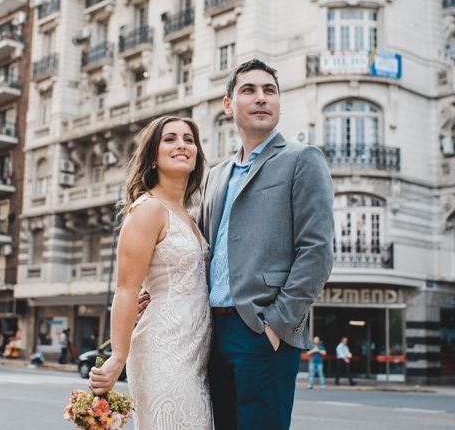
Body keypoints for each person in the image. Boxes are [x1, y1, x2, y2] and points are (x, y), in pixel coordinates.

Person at [200, 60, 335, 430]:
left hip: (262, 330)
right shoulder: (215, 176)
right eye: (249, 90)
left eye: (269, 91)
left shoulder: (302, 159)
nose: (261, 98)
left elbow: (317, 250)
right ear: (228, 104)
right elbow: (203, 253)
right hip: (212, 332)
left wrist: (277, 324)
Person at [89, 116, 213, 429]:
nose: (182, 145)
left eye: (188, 138)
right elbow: (126, 288)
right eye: (170, 139)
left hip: (196, 352)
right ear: (153, 156)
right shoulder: (148, 209)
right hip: (163, 350)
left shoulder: (188, 216)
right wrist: (117, 357)